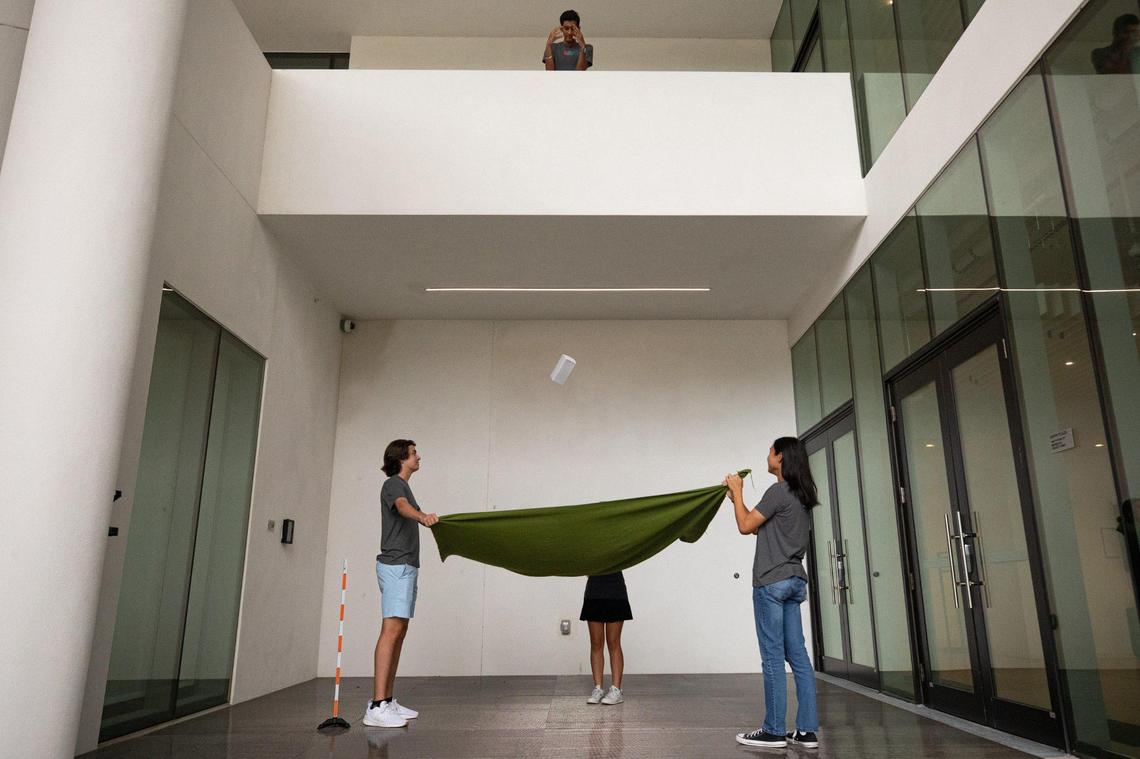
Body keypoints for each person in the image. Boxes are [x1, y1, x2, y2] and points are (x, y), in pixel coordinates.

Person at [726, 437, 820, 750]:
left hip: (771, 583)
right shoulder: (800, 495)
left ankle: (774, 730)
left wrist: (738, 492)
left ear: (780, 457)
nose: (767, 455)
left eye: (770, 451)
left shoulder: (777, 491)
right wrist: (735, 500)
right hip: (794, 582)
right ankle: (806, 731)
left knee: (772, 657)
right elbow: (755, 525)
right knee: (799, 658)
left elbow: (743, 527)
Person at [363, 439, 440, 728]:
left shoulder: (404, 485)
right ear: (401, 458)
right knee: (391, 630)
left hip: (405, 566)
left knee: (400, 630)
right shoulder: (394, 484)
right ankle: (377, 705)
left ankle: (387, 700)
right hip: (396, 566)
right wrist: (422, 517)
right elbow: (402, 507)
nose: (418, 456)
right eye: (413, 453)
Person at [580, 571, 631, 704]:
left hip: (616, 591)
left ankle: (616, 690)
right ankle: (598, 688)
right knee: (596, 643)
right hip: (594, 592)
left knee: (613, 642)